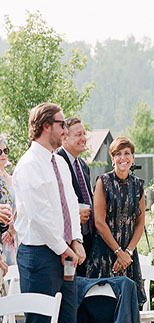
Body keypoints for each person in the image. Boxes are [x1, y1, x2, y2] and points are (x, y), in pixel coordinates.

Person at [13, 102, 92, 323]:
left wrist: (76, 240)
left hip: (65, 252)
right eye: (61, 124)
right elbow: (39, 216)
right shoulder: (28, 165)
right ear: (46, 126)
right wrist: (64, 248)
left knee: (66, 322)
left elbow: (70, 204)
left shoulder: (59, 163)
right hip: (39, 255)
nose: (65, 129)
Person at [85, 136, 146, 307]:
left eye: (127, 153)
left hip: (128, 256)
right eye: (118, 154)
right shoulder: (103, 182)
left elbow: (140, 223)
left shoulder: (138, 185)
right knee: (103, 306)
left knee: (127, 308)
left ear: (133, 157)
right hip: (104, 253)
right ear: (112, 158)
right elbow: (99, 222)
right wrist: (118, 252)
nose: (123, 158)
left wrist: (128, 252)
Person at [57, 118, 93, 275]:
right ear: (64, 137)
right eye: (78, 134)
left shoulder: (83, 165)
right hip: (67, 243)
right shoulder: (57, 162)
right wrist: (73, 213)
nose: (83, 138)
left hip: (86, 239)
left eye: (84, 134)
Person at [0, 133, 17, 265]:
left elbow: (20, 206)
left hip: (12, 233)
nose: (3, 155)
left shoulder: (12, 178)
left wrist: (13, 228)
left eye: (5, 151)